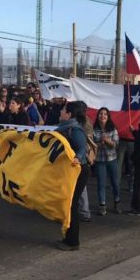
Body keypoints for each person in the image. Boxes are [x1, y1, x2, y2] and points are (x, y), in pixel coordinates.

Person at [55, 101, 90, 251]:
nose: (60, 112)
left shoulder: (74, 129)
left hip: (78, 170)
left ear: (69, 114)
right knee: (68, 204)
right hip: (71, 171)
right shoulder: (65, 128)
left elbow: (82, 146)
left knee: (71, 205)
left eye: (63, 110)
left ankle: (73, 241)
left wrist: (78, 157)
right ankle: (68, 237)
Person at [93, 107, 122, 216]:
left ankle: (117, 202)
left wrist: (107, 140)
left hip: (111, 159)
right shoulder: (94, 129)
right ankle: (102, 205)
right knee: (101, 184)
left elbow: (115, 144)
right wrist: (100, 142)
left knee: (115, 183)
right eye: (101, 114)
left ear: (108, 116)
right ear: (98, 116)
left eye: (105, 114)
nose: (103, 116)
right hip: (100, 161)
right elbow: (93, 145)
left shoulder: (112, 129)